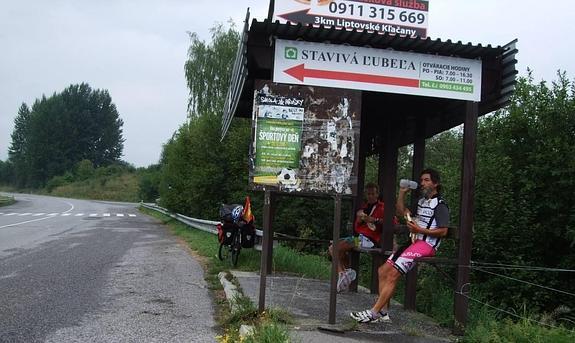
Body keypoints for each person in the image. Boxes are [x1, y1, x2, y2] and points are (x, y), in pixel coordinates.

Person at [350, 168, 449, 323]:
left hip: (426, 245)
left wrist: (419, 229)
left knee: (392, 274)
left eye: (426, 180)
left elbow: (443, 231)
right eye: (421, 180)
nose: (422, 183)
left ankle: (373, 313)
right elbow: (402, 211)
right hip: (413, 242)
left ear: (436, 184)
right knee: (383, 270)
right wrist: (402, 192)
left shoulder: (440, 205)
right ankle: (384, 313)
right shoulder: (422, 202)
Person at [328, 182, 391, 293]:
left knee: (334, 248)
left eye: (372, 194)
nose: (370, 196)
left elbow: (392, 222)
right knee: (334, 248)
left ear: (377, 194)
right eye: (368, 194)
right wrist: (360, 218)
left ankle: (343, 273)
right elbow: (357, 227)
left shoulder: (383, 208)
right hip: (359, 237)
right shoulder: (364, 208)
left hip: (370, 240)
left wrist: (375, 220)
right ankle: (345, 273)